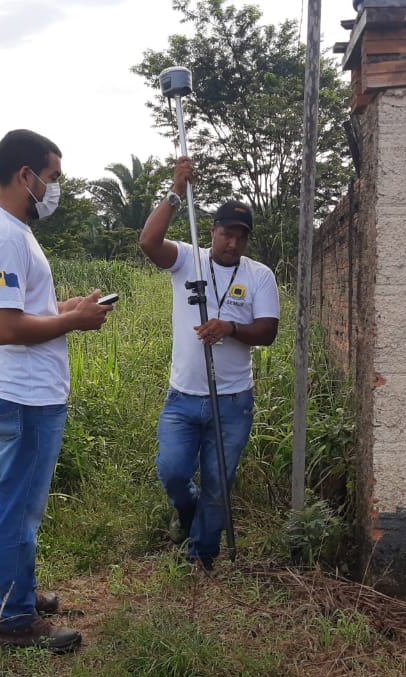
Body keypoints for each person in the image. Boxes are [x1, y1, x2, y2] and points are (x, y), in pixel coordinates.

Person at [0, 129, 113, 652]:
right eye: (52, 177)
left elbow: (19, 308)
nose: (55, 188)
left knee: (22, 504)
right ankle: (16, 620)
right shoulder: (3, 234)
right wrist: (74, 322)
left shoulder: (0, 226)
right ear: (25, 175)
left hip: (22, 390)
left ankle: (20, 594)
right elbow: (5, 327)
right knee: (19, 507)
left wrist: (64, 309)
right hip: (22, 394)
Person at [138, 156, 280, 570]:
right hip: (183, 396)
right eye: (226, 233)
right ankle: (188, 513)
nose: (232, 243)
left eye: (240, 236)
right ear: (213, 231)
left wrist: (230, 328)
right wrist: (175, 192)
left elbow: (267, 331)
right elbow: (149, 242)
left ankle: (202, 555)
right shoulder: (188, 259)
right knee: (172, 472)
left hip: (232, 400)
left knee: (219, 482)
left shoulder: (259, 276)